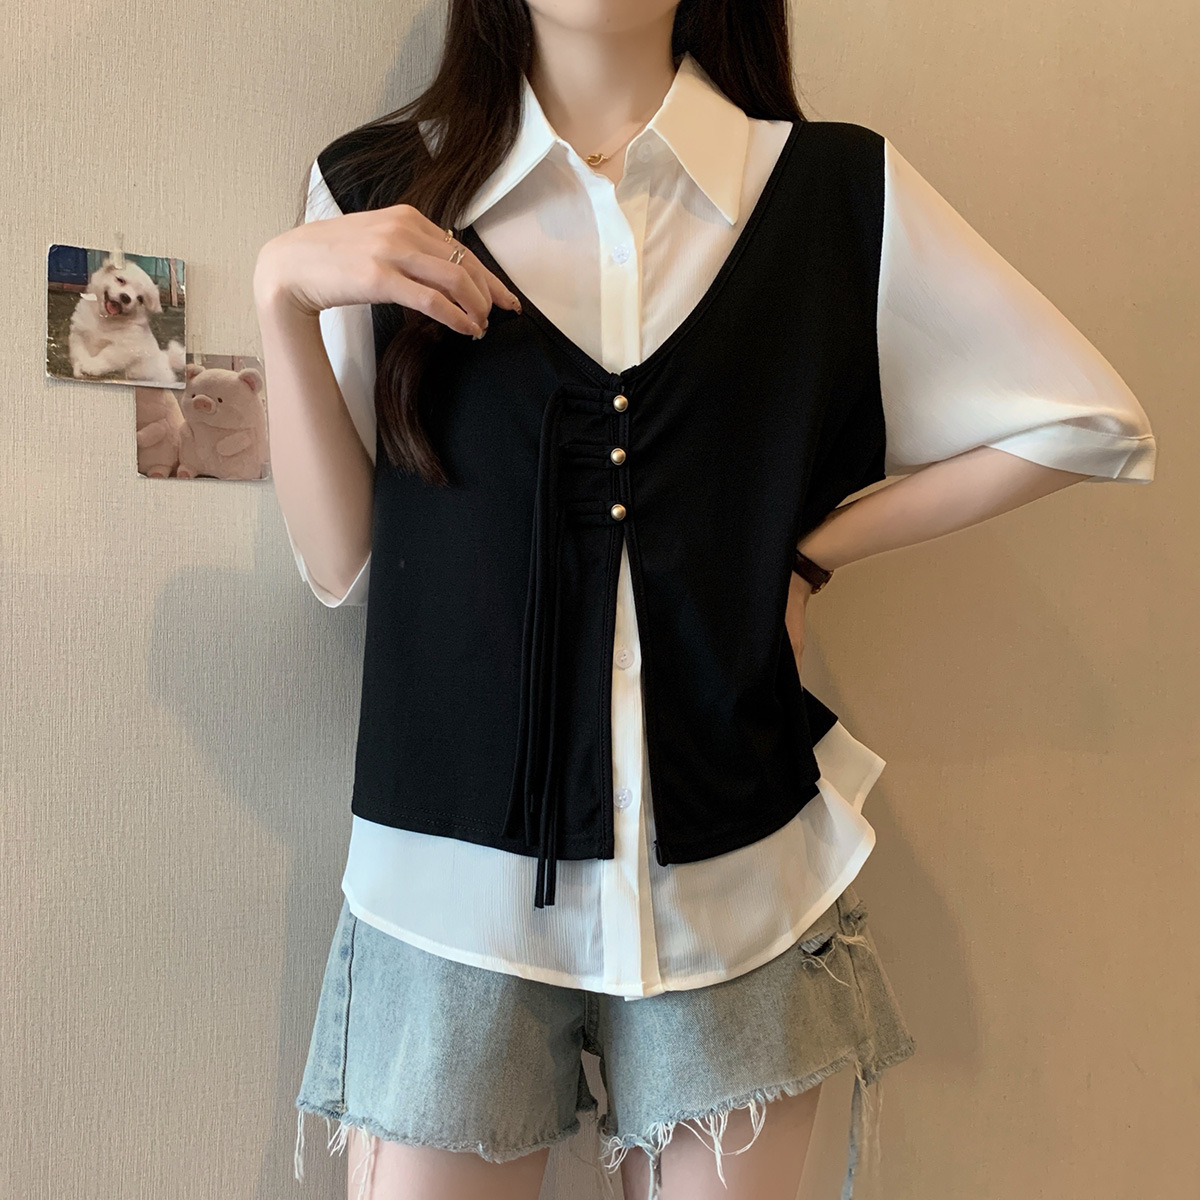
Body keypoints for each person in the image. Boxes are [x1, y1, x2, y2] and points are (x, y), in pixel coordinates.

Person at [253, 3, 1157, 1199]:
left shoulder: (827, 194)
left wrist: (814, 553)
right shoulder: (376, 190)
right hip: (447, 894)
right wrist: (281, 294)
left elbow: (1087, 421)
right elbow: (341, 566)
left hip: (739, 882)